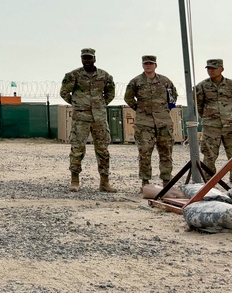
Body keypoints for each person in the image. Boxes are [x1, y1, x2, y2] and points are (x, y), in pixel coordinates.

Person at [60, 48, 116, 192]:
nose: (87, 60)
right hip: (81, 118)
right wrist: (77, 103)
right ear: (81, 59)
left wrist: (101, 104)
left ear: (94, 59)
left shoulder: (104, 76)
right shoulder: (73, 75)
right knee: (77, 148)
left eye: (89, 58)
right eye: (84, 58)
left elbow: (110, 93)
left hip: (99, 118)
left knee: (103, 149)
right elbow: (64, 92)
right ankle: (74, 180)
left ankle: (104, 182)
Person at [124, 55, 178, 188]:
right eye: (146, 63)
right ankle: (145, 181)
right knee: (144, 152)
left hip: (163, 121)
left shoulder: (165, 81)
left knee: (166, 151)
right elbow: (128, 97)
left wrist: (164, 110)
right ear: (143, 65)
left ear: (155, 65)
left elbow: (173, 96)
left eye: (151, 63)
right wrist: (140, 109)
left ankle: (166, 180)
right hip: (144, 122)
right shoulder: (136, 82)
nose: (148, 65)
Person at [195, 59, 232, 191]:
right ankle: (209, 185)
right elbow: (199, 106)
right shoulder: (201, 87)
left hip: (230, 126)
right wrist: (209, 117)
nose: (210, 71)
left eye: (214, 68)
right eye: (209, 68)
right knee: (209, 156)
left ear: (221, 69)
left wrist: (229, 115)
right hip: (211, 127)